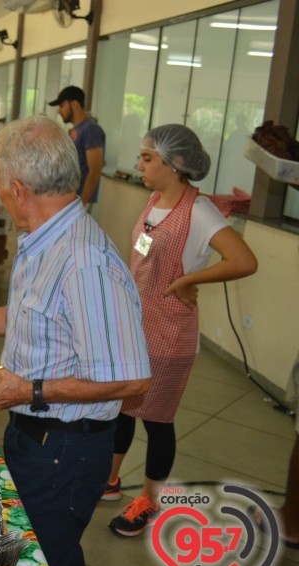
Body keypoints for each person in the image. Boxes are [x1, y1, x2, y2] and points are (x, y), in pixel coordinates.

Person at [0, 116, 151, 566]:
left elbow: (132, 380)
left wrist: (27, 390)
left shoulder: (85, 261)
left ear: (19, 190)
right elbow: (31, 316)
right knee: (29, 559)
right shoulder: (45, 239)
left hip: (66, 449)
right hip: (33, 432)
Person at [105, 125, 258, 536]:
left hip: (170, 331)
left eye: (147, 158)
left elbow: (244, 261)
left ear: (176, 164)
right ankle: (111, 478)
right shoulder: (153, 201)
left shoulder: (200, 211)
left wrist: (191, 280)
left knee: (157, 418)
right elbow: (141, 254)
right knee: (122, 406)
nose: (139, 165)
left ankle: (148, 500)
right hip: (134, 324)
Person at [49, 86, 104, 209]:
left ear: (74, 104)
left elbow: (94, 170)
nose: (59, 111)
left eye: (62, 105)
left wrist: (81, 204)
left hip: (79, 200)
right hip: (70, 198)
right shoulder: (77, 130)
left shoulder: (90, 129)